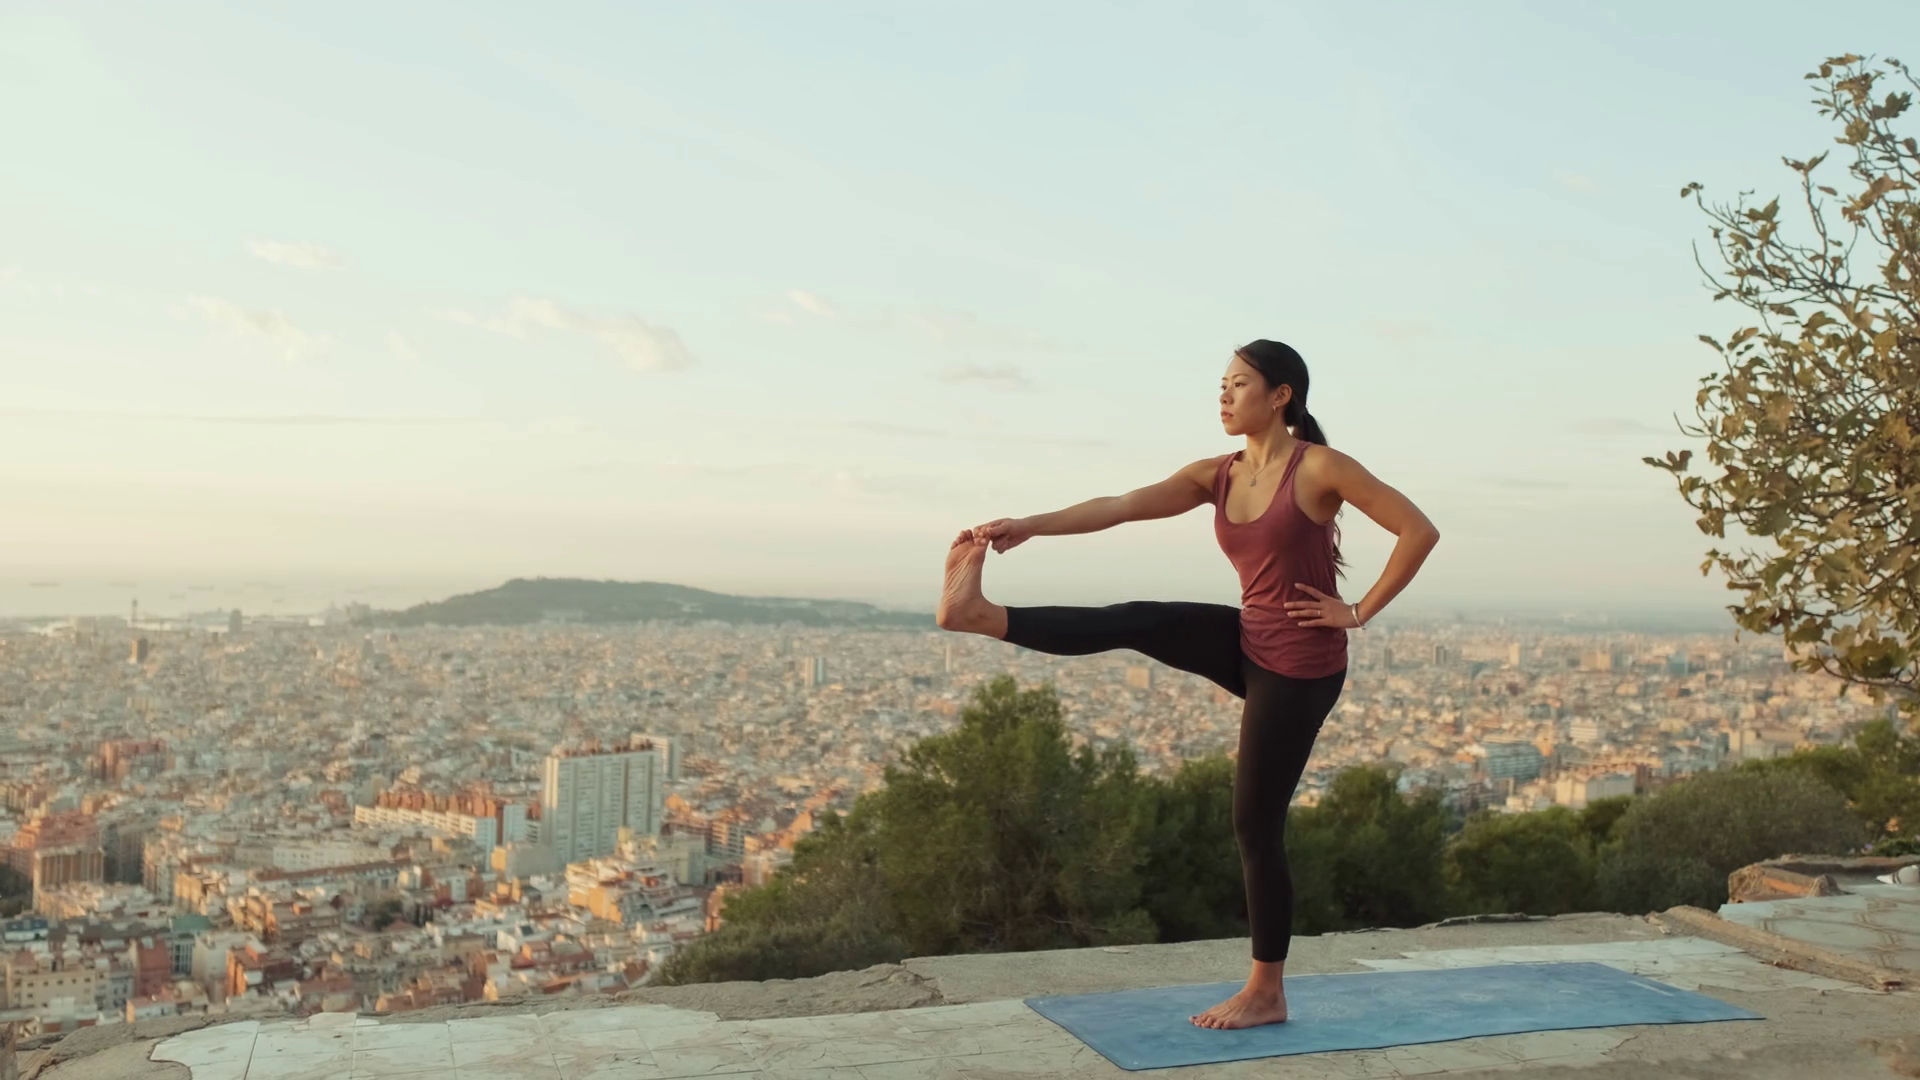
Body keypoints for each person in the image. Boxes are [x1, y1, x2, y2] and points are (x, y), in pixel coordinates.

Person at [935, 339, 1440, 1031]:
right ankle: (981, 615)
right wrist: (1027, 526)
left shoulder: (1319, 467)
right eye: (1221, 385)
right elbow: (1120, 505)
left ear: (1281, 394)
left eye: (1238, 384)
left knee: (1255, 825)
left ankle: (1267, 990)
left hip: (1299, 666)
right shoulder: (1218, 474)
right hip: (1248, 638)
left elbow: (1418, 529)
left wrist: (1356, 611)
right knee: (1136, 618)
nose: (1224, 396)